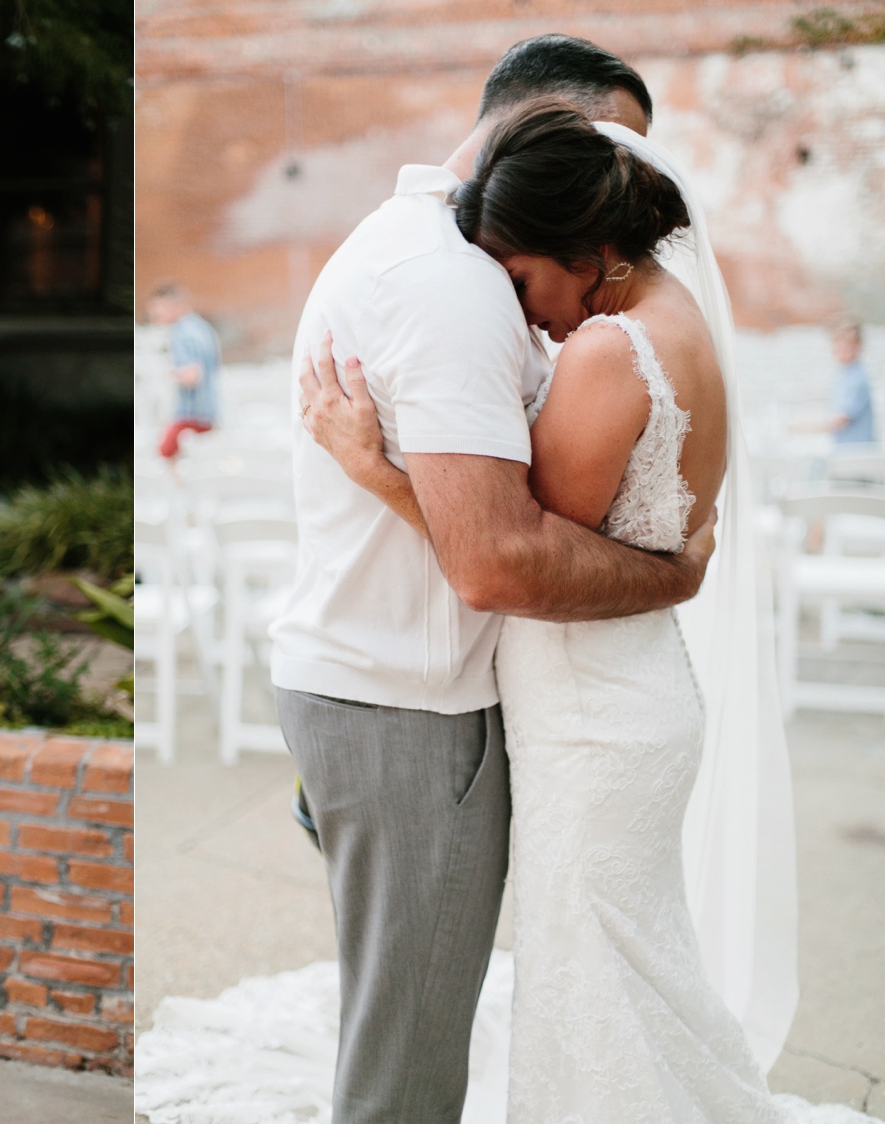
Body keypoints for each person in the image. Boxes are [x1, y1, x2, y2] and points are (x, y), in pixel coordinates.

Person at [301, 103, 875, 1122]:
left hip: (592, 710)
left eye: (524, 281)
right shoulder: (678, 327)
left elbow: (516, 554)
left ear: (593, 251)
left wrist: (376, 468)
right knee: (624, 965)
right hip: (622, 691)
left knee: (595, 970)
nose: (525, 314)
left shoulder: (611, 352)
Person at [261, 36, 728, 1124]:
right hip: (409, 706)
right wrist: (674, 578)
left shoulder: (526, 295)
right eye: (599, 150)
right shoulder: (452, 280)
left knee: (560, 986)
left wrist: (377, 470)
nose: (620, 192)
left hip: (508, 701)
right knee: (415, 1061)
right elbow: (496, 556)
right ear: (541, 129)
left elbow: (514, 537)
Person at [147, 280, 221, 458]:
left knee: (163, 452)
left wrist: (165, 373)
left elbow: (192, 376)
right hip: (209, 412)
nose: (154, 313)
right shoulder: (202, 327)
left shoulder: (181, 333)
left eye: (159, 307)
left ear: (175, 306)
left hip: (190, 414)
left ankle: (178, 486)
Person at [826, 317, 875, 446]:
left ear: (857, 345)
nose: (841, 349)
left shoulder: (858, 378)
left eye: (847, 344)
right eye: (838, 343)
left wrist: (804, 427)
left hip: (856, 453)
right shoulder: (843, 374)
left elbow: (841, 420)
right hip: (843, 449)